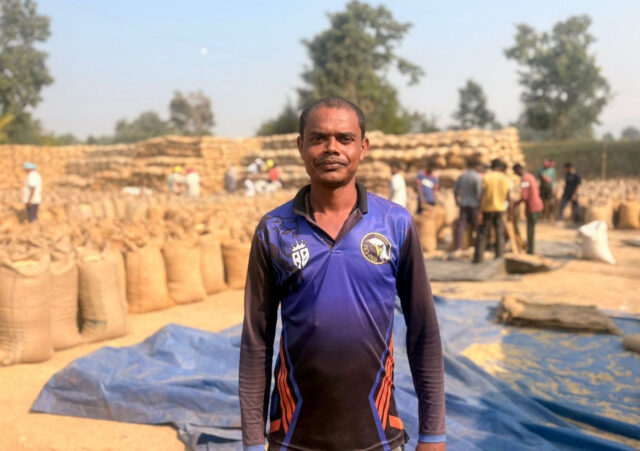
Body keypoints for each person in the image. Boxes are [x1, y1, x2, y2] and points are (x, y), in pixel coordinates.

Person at [240, 97, 445, 451]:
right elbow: (256, 341)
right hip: (293, 437)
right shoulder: (273, 230)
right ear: (301, 146)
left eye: (344, 138)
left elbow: (423, 331)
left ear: (363, 147)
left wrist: (433, 434)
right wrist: (253, 441)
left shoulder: (395, 224)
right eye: (318, 138)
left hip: (378, 435)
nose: (331, 148)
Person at [473, 158, 511, 263]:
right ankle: (499, 256)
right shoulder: (505, 178)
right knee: (499, 233)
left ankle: (478, 258)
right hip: (500, 209)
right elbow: (508, 196)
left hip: (487, 209)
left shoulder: (486, 177)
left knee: (482, 233)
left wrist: (480, 211)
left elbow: (483, 196)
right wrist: (509, 212)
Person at [513, 163, 544, 254]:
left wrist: (516, 203)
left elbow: (525, 196)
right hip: (538, 205)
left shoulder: (525, 179)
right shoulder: (531, 176)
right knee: (531, 228)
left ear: (518, 171)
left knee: (530, 229)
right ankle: (530, 248)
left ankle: (531, 250)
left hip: (533, 207)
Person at [453, 160, 483, 251]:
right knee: (477, 226)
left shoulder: (462, 176)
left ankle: (459, 247)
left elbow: (455, 190)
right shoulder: (477, 177)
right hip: (474, 205)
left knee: (461, 225)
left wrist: (457, 201)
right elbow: (479, 193)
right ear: (476, 166)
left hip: (464, 204)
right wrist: (480, 206)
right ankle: (478, 246)